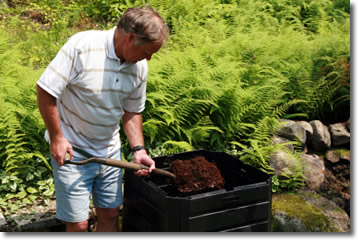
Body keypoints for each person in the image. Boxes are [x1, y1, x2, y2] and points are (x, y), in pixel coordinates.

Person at [36, 6, 169, 232]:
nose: (148, 58)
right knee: (78, 224)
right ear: (131, 37)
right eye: (148, 51)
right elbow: (46, 90)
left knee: (110, 213)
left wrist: (139, 149)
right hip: (74, 153)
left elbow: (132, 110)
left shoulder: (139, 67)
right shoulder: (82, 46)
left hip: (109, 151)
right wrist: (57, 138)